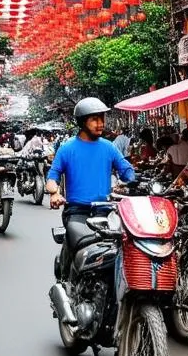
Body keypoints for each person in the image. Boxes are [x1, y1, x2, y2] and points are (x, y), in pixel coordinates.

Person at [46, 98, 136, 274]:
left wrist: (131, 177)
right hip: (77, 211)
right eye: (95, 119)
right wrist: (54, 193)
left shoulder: (109, 147)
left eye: (101, 118)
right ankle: (67, 278)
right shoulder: (67, 148)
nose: (100, 123)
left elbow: (127, 171)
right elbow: (52, 177)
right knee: (79, 252)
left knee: (123, 248)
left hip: (107, 211)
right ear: (82, 122)